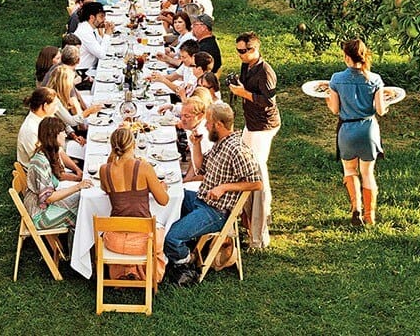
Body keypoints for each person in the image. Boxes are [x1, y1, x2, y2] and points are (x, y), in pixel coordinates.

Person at [164, 103, 262, 285]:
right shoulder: (220, 144)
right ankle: (166, 250)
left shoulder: (238, 150)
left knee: (172, 237)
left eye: (208, 122)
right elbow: (201, 167)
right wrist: (196, 145)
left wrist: (224, 187)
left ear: (218, 124)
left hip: (216, 212)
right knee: (168, 198)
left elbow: (257, 183)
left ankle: (186, 262)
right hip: (201, 198)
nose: (206, 126)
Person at [326, 39, 388, 225]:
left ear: (346, 57)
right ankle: (370, 217)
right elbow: (381, 110)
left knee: (350, 170)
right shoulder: (375, 79)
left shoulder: (336, 79)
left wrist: (328, 101)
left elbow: (335, 110)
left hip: (347, 129)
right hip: (368, 129)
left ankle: (356, 208)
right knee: (368, 173)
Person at [228, 31, 280, 249]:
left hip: (263, 125)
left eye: (243, 51)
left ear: (254, 49)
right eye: (238, 51)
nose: (240, 55)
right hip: (251, 124)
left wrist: (243, 93)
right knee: (248, 167)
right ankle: (249, 215)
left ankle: (261, 220)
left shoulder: (266, 72)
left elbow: (268, 101)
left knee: (257, 172)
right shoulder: (247, 66)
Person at [99, 128, 170, 282]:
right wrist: (160, 187)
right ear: (134, 144)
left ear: (113, 147)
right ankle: (142, 273)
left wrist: (114, 155)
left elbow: (104, 188)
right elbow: (163, 201)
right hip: (144, 243)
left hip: (114, 242)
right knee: (161, 226)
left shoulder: (104, 170)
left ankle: (126, 271)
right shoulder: (143, 167)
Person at [24, 117, 93, 230]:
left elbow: (57, 178)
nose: (65, 136)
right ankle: (77, 245)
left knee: (83, 201)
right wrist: (78, 186)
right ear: (54, 135)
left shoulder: (49, 152)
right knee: (83, 216)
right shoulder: (40, 163)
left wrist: (77, 181)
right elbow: (49, 198)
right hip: (40, 213)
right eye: (63, 133)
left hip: (46, 203)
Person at [17, 87, 84, 181]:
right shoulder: (31, 130)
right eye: (55, 105)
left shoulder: (45, 118)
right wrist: (76, 178)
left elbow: (58, 150)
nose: (57, 109)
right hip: (42, 179)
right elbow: (45, 168)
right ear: (45, 106)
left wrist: (77, 169)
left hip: (56, 171)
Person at [73, 2, 115, 90]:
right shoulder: (85, 32)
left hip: (92, 68)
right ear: (92, 17)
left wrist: (106, 32)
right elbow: (101, 54)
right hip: (83, 73)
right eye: (101, 16)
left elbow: (101, 45)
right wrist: (107, 35)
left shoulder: (91, 28)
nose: (104, 19)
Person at [179, 96, 213, 186]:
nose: (182, 119)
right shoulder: (192, 127)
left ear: (200, 116)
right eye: (181, 115)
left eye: (187, 116)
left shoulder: (203, 136)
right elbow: (194, 160)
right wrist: (186, 179)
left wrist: (189, 182)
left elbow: (207, 172)